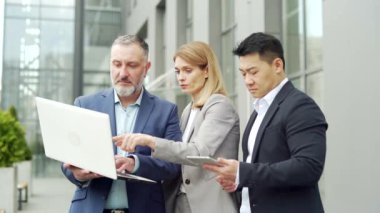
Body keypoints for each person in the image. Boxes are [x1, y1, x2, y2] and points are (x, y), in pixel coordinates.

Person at [203, 32, 328, 213]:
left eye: (253, 72)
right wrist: (238, 181)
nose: (247, 80)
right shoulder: (260, 109)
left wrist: (242, 172)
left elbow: (308, 167)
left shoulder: (300, 106)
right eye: (243, 73)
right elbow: (262, 166)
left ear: (277, 65)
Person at [113, 41, 240, 213]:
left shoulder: (219, 105)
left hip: (208, 204)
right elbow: (175, 158)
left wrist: (149, 141)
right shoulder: (189, 110)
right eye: (178, 71)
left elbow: (198, 153)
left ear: (206, 71)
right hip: (179, 202)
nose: (181, 77)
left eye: (188, 70)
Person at [61, 35, 182, 213]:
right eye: (117, 64)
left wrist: (136, 163)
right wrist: (77, 174)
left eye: (131, 65)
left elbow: (174, 165)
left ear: (146, 68)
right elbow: (67, 157)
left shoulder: (166, 111)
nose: (123, 73)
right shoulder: (85, 105)